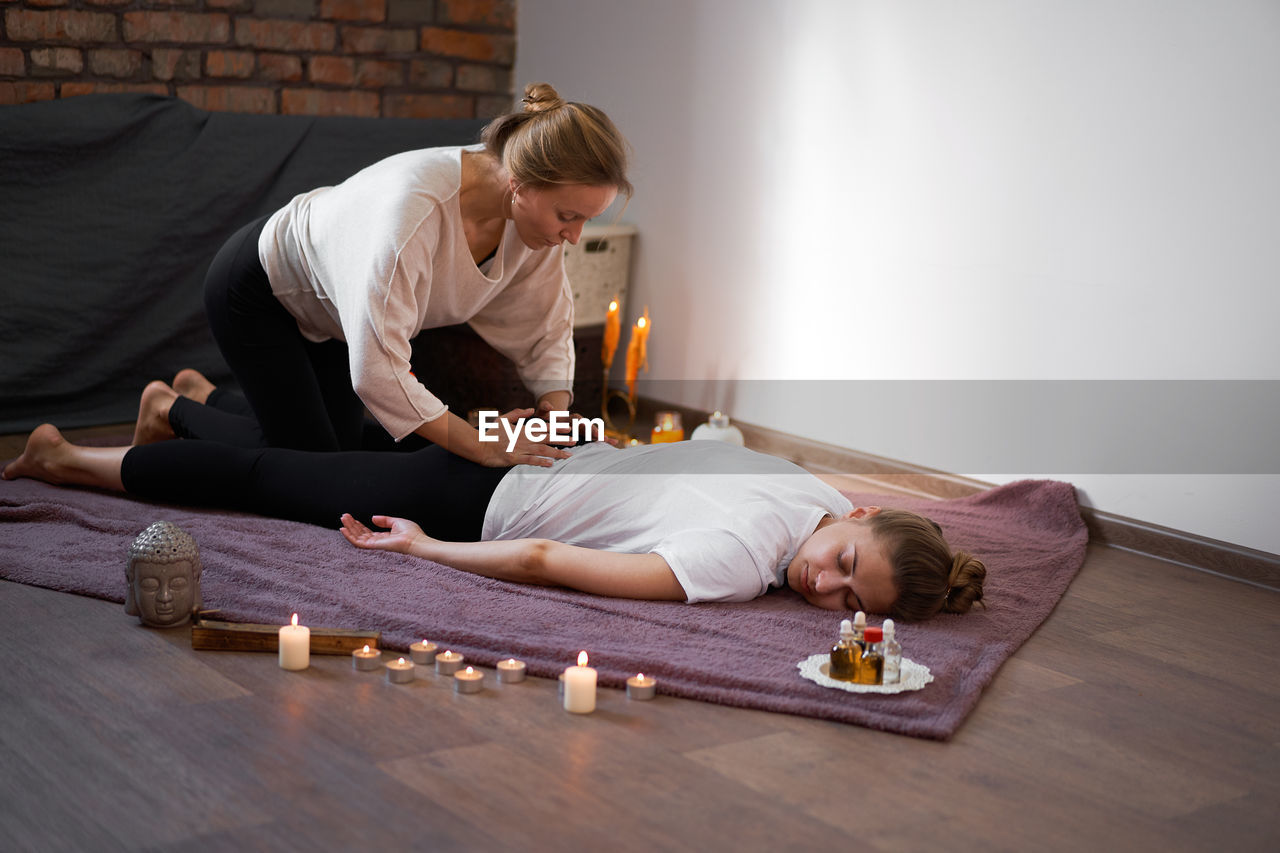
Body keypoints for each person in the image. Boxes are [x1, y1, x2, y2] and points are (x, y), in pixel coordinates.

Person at [3, 419, 986, 621]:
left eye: (850, 599)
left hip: (520, 450)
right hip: (475, 494)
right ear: (854, 516)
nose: (825, 584)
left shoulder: (807, 487)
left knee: (315, 451)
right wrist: (428, 546)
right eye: (847, 561)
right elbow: (549, 559)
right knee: (264, 479)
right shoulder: (732, 563)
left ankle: (175, 414)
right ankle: (69, 459)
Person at [155, 81, 630, 467]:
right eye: (568, 216)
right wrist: (483, 445)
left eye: (586, 219)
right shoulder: (414, 212)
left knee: (343, 448)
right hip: (259, 289)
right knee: (312, 466)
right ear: (520, 184)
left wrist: (555, 410)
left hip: (333, 318)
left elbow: (543, 321)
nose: (574, 235)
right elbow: (378, 373)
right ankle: (167, 408)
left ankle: (206, 396)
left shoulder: (531, 223)